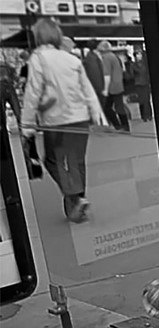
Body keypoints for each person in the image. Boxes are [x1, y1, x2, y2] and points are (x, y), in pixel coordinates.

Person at [21, 18, 107, 223]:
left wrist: (26, 125)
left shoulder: (38, 58)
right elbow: (87, 90)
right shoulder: (72, 59)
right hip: (80, 118)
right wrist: (98, 116)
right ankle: (78, 203)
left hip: (56, 120)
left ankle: (75, 197)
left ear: (38, 36)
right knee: (77, 161)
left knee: (54, 161)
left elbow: (33, 93)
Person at [97, 40, 129, 131]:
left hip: (111, 87)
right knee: (119, 107)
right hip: (118, 85)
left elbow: (106, 75)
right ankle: (126, 126)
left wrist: (105, 89)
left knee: (106, 108)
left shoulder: (106, 58)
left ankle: (118, 126)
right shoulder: (114, 56)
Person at [82, 40, 104, 107]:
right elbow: (95, 74)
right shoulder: (93, 58)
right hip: (97, 87)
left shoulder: (89, 57)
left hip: (94, 86)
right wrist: (100, 88)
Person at [132, 50, 151, 121]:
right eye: (137, 54)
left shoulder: (145, 63)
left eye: (139, 54)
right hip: (139, 84)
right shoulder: (133, 65)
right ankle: (144, 116)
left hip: (145, 83)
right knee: (141, 100)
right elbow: (132, 74)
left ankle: (149, 115)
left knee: (147, 100)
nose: (138, 56)